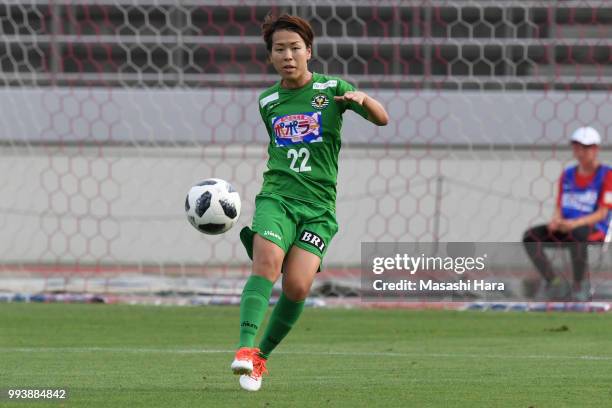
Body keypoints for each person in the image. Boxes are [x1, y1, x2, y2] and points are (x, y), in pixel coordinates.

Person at [230, 14, 389, 391]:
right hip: (278, 197)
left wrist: (362, 99)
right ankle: (244, 349)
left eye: (295, 48)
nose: (288, 55)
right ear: (270, 57)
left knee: (298, 286)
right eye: (279, 49)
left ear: (309, 52)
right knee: (267, 264)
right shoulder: (267, 100)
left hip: (318, 209)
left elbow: (382, 119)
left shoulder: (333, 88)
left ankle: (261, 359)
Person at [523, 126, 611, 301]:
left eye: (586, 148)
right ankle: (553, 282)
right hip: (566, 226)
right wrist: (555, 221)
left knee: (577, 235)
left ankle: (580, 286)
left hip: (593, 229)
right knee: (531, 237)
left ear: (596, 149)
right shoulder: (568, 175)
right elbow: (559, 206)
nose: (581, 152)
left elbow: (602, 213)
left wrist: (574, 224)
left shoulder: (607, 175)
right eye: (577, 147)